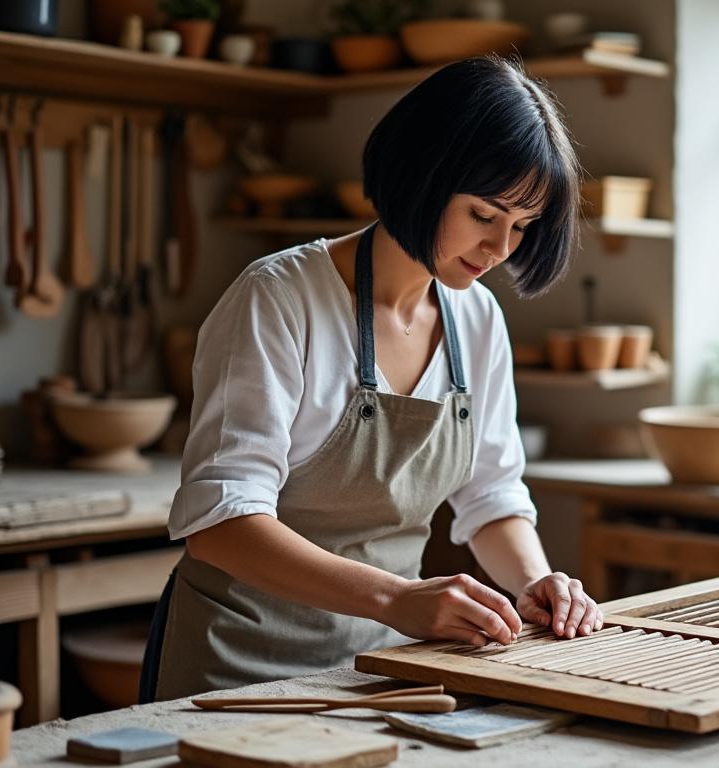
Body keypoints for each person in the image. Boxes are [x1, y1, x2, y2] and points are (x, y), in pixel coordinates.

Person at [139, 57, 601, 702]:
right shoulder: (278, 297)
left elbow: (491, 495)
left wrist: (532, 581)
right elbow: (222, 520)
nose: (500, 248)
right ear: (422, 175)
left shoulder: (476, 316)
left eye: (521, 227)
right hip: (237, 668)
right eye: (483, 214)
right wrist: (393, 596)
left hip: (384, 669)